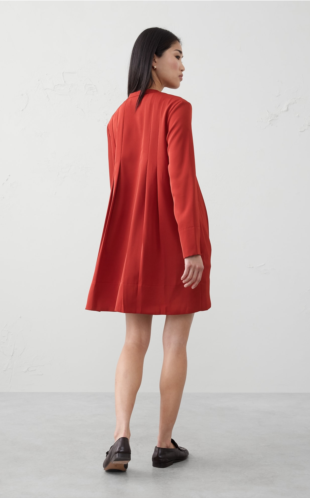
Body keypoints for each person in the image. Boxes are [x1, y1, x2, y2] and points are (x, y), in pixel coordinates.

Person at [85, 27, 212, 471]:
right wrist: (191, 247)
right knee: (174, 343)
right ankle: (163, 444)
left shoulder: (118, 118)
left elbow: (118, 186)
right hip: (177, 238)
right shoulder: (177, 108)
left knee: (134, 340)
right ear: (153, 59)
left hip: (134, 240)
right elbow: (181, 178)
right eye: (176, 55)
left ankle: (120, 438)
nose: (183, 65)